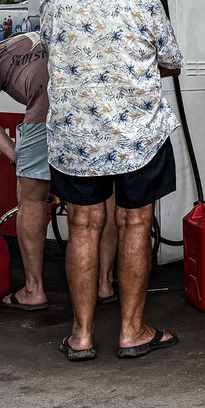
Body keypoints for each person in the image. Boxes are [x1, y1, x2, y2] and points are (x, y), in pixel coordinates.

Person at [40, 0, 184, 361]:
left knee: (83, 226)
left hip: (75, 139)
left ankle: (81, 336)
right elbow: (171, 61)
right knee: (135, 224)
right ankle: (132, 331)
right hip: (138, 137)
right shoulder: (143, 0)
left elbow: (51, 49)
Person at [0, 33, 118, 312]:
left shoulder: (3, 54)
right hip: (94, 114)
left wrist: (14, 154)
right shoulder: (57, 33)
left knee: (31, 200)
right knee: (104, 197)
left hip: (44, 117)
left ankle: (33, 289)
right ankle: (104, 283)